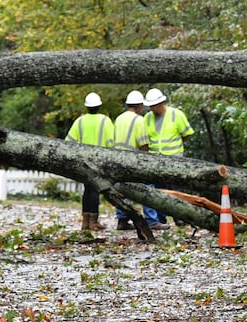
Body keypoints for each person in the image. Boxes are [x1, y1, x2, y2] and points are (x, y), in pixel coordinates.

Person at [143, 88, 194, 227]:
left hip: (174, 159)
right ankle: (161, 219)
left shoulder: (176, 115)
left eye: (154, 105)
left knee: (176, 189)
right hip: (155, 159)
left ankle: (179, 217)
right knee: (159, 190)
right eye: (150, 106)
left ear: (162, 102)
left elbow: (187, 134)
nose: (152, 108)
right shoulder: (147, 118)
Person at [66, 92, 114, 231]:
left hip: (82, 162)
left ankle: (85, 222)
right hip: (99, 161)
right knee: (94, 190)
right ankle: (94, 221)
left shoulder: (80, 121)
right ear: (99, 106)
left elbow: (69, 141)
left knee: (87, 190)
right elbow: (111, 143)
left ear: (86, 107)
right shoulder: (105, 121)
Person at [111, 90, 154, 230]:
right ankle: (152, 220)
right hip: (132, 159)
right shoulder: (139, 120)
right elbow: (143, 143)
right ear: (140, 105)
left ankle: (122, 220)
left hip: (118, 158)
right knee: (146, 188)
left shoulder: (119, 118)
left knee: (121, 190)